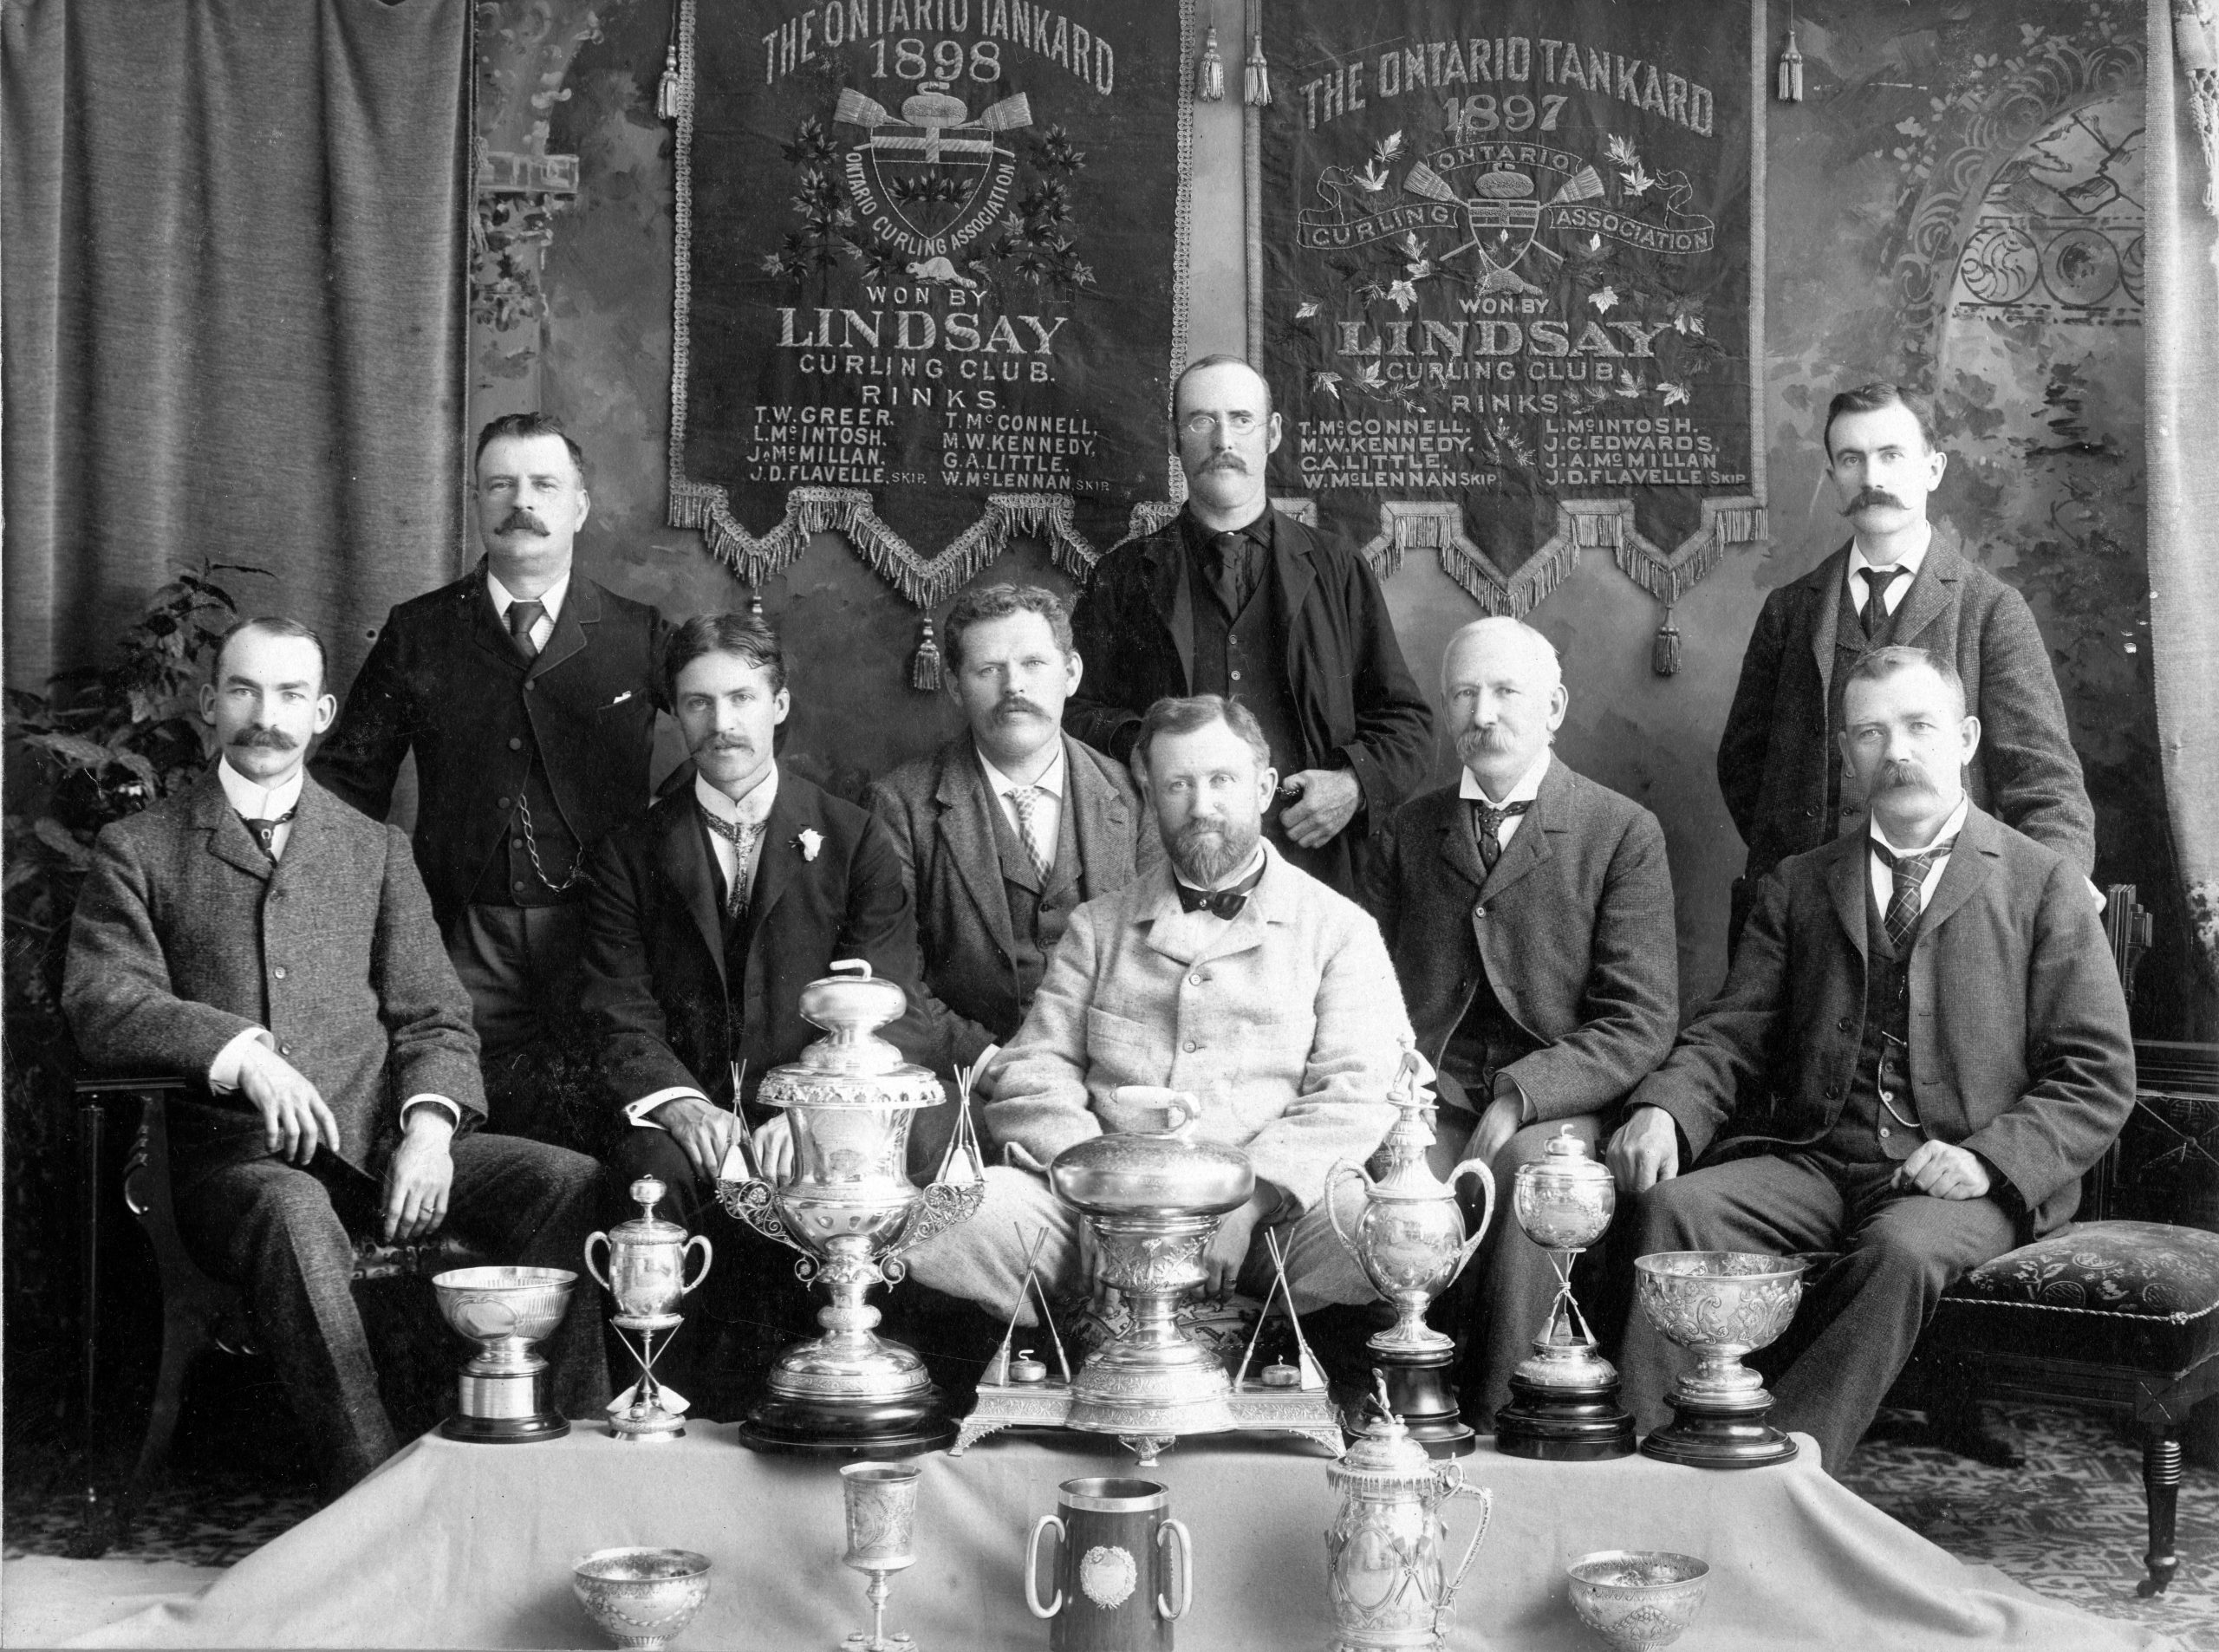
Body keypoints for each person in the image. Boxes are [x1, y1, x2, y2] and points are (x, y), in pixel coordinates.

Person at [63, 618, 609, 1501]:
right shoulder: (143, 848)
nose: (265, 716)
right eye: (243, 691)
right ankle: (379, 1495)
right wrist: (243, 1055)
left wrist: (429, 1131)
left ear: (321, 712)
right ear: (210, 704)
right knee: (294, 1208)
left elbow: (436, 1014)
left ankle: (568, 1460)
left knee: (567, 1181)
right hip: (230, 1169)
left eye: (288, 696)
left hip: (378, 1148)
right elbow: (104, 1001)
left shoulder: (374, 848)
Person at [1609, 646, 2133, 1471]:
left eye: (1919, 727)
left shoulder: (2043, 884)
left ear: (1964, 737)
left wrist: (1988, 1159)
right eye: (1870, 734)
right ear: (1848, 756)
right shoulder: (1802, 883)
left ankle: (1787, 1472)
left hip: (1962, 1178)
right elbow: (1731, 1031)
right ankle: (1648, 1460)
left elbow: (2096, 1074)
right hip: (1819, 1160)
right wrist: (1664, 1106)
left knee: (1902, 1250)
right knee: (1679, 1210)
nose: (1897, 752)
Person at [904, 694, 1410, 1323]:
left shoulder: (1338, 929)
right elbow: (1036, 1075)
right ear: (1149, 794)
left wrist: (1248, 1202)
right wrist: (1099, 1202)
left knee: (1391, 1234)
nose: (1202, 807)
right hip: (1095, 1216)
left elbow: (1358, 1089)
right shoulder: (1097, 928)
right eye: (1178, 785)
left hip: (1271, 1225)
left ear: (1265, 787)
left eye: (1222, 781)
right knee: (957, 1216)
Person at [312, 413, 669, 1135]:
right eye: (501, 485)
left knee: (609, 1127)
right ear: (475, 500)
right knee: (453, 1121)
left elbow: (728, 745)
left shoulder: (641, 632)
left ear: (580, 505)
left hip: (603, 937)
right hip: (459, 938)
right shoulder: (420, 630)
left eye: (544, 484)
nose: (522, 503)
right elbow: (347, 784)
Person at [1370, 618, 1678, 1425]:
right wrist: (1404, 1090)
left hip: (1559, 1100)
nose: (1484, 714)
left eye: (1507, 692)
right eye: (1466, 694)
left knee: (1524, 1179)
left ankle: (1505, 1409)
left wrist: (1518, 1098)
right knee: (1401, 1189)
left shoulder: (1619, 832)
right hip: (1429, 1092)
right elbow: (1367, 992)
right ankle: (1390, 1409)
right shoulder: (1407, 829)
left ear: (1554, 708)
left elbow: (1640, 1020)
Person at [578, 614, 934, 1233]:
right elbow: (618, 1008)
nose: (721, 725)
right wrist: (684, 1108)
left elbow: (882, 999)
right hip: (692, 1120)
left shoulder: (854, 839)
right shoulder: (629, 852)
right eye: (698, 703)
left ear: (779, 704)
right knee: (648, 1183)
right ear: (677, 715)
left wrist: (807, 1114)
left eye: (742, 698)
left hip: (822, 1108)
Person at [1715, 381, 2093, 943]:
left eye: (1892, 455)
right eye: (1852, 459)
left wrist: (2037, 906)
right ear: (1833, 477)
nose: (1873, 479)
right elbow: (1743, 766)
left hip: (1950, 926)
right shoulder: (1790, 612)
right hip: (1803, 930)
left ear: (1933, 468)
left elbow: (2046, 788)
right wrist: (1795, 864)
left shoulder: (1991, 611)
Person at [1061, 355, 1433, 898]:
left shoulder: (1336, 565)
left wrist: (1353, 784)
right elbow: (1074, 712)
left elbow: (1408, 723)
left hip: (1315, 873)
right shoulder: (1122, 575)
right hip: (1164, 870)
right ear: (1175, 439)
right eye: (1201, 421)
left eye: (1241, 419)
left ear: (1272, 433)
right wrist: (1144, 748)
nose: (1222, 440)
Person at [866, 583, 1160, 1089]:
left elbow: (1163, 964)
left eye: (1033, 665)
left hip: (1116, 1084)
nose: (1013, 688)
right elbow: (891, 980)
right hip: (965, 1088)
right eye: (989, 670)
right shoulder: (900, 805)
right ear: (956, 687)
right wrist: (988, 1067)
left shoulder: (1134, 798)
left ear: (1071, 674)